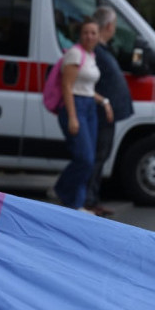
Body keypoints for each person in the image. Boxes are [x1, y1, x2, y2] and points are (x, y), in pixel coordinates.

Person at [84, 6, 134, 217]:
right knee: (97, 156)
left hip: (107, 112)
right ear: (110, 26)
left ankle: (92, 199)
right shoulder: (96, 52)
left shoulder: (102, 50)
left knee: (100, 156)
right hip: (100, 113)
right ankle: (88, 200)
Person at [53, 20, 108, 212]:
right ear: (80, 35)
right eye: (86, 33)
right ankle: (64, 191)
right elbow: (67, 86)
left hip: (89, 107)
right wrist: (73, 117)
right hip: (75, 107)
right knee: (84, 158)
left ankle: (77, 202)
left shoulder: (90, 55)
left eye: (93, 33)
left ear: (98, 35)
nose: (89, 36)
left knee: (89, 159)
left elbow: (87, 88)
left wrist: (104, 102)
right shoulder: (75, 53)